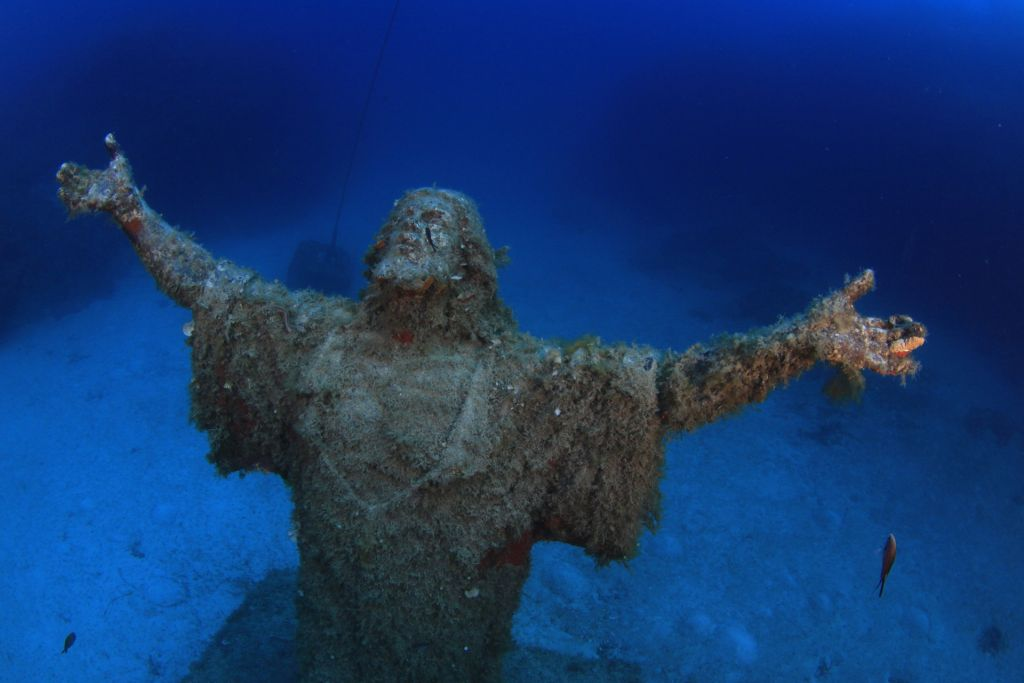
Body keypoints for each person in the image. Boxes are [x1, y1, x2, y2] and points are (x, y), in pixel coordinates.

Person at [57, 134, 926, 682]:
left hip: (448, 647)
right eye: (403, 216)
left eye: (434, 224)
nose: (411, 227)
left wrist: (806, 341)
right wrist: (133, 215)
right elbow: (214, 288)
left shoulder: (518, 381)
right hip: (331, 632)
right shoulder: (310, 337)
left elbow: (664, 390)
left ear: (470, 260)